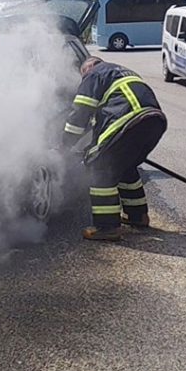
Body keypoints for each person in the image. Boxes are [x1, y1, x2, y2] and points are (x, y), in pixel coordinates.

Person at [63, 57, 168, 241]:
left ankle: (107, 227)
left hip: (129, 121)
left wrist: (65, 144)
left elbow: (80, 112)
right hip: (154, 120)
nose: (83, 80)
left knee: (99, 168)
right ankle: (138, 217)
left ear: (88, 68)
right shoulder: (119, 71)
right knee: (126, 168)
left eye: (83, 75)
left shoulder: (94, 74)